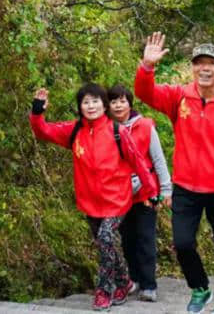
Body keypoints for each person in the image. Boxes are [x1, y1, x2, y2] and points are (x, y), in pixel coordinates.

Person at [134, 32, 214, 314]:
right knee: (183, 244)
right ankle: (199, 287)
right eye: (199, 63)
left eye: (211, 63)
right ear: (193, 67)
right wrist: (147, 67)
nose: (205, 68)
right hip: (185, 187)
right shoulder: (179, 96)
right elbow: (145, 93)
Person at [29, 83, 157, 311]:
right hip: (89, 201)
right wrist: (38, 112)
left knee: (107, 238)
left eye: (96, 101)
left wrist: (150, 193)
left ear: (104, 105)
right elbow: (43, 131)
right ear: (80, 107)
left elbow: (138, 162)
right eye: (86, 102)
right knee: (104, 244)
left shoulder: (118, 131)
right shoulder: (74, 131)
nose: (91, 106)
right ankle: (125, 281)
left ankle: (104, 290)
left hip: (117, 199)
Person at [107, 84, 172, 302]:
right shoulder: (106, 128)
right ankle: (133, 279)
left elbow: (158, 159)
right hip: (120, 194)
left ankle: (149, 284)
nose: (118, 105)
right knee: (127, 239)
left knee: (145, 237)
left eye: (122, 101)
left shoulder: (144, 126)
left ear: (130, 103)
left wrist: (165, 189)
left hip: (146, 192)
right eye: (114, 101)